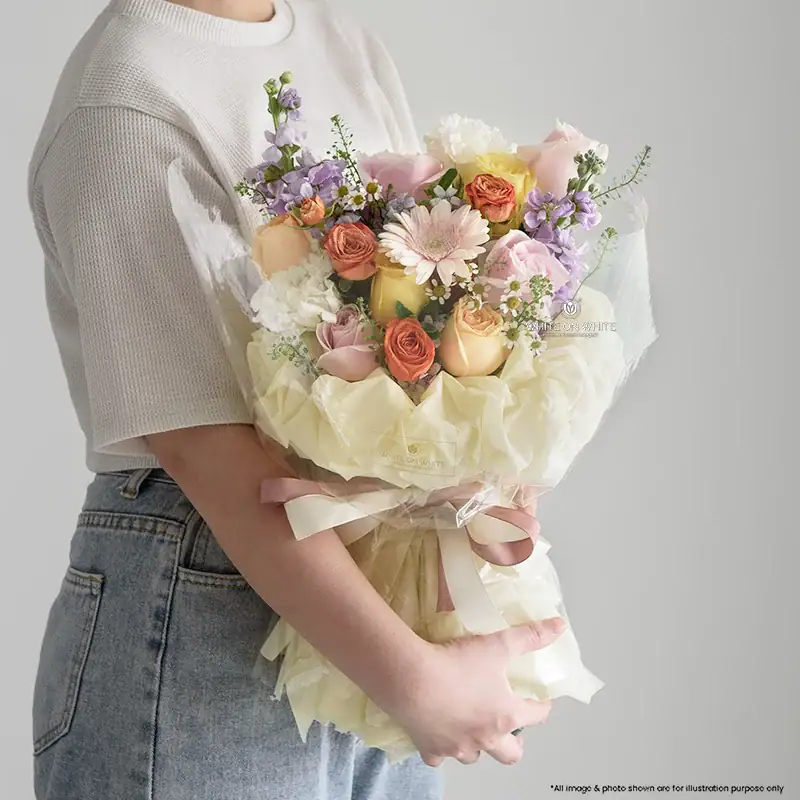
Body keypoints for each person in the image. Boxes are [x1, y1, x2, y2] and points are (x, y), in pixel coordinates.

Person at [27, 0, 565, 797]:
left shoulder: (340, 42)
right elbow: (200, 442)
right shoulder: (126, 99)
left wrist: (477, 475)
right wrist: (413, 677)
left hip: (365, 582)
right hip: (210, 585)